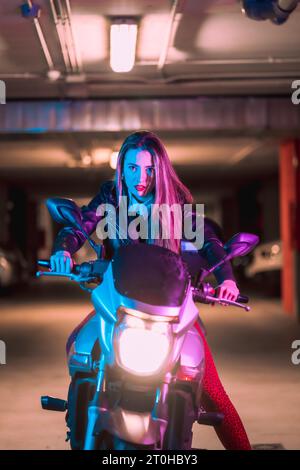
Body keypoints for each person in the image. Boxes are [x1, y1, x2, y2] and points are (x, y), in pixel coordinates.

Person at [50, 131, 251, 450]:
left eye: (148, 169)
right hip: (120, 302)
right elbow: (82, 223)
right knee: (78, 344)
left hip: (169, 306)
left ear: (160, 169)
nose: (139, 178)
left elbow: (209, 241)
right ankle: (84, 409)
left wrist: (226, 279)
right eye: (132, 168)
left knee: (215, 396)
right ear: (122, 169)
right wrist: (64, 251)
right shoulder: (110, 197)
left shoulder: (178, 203)